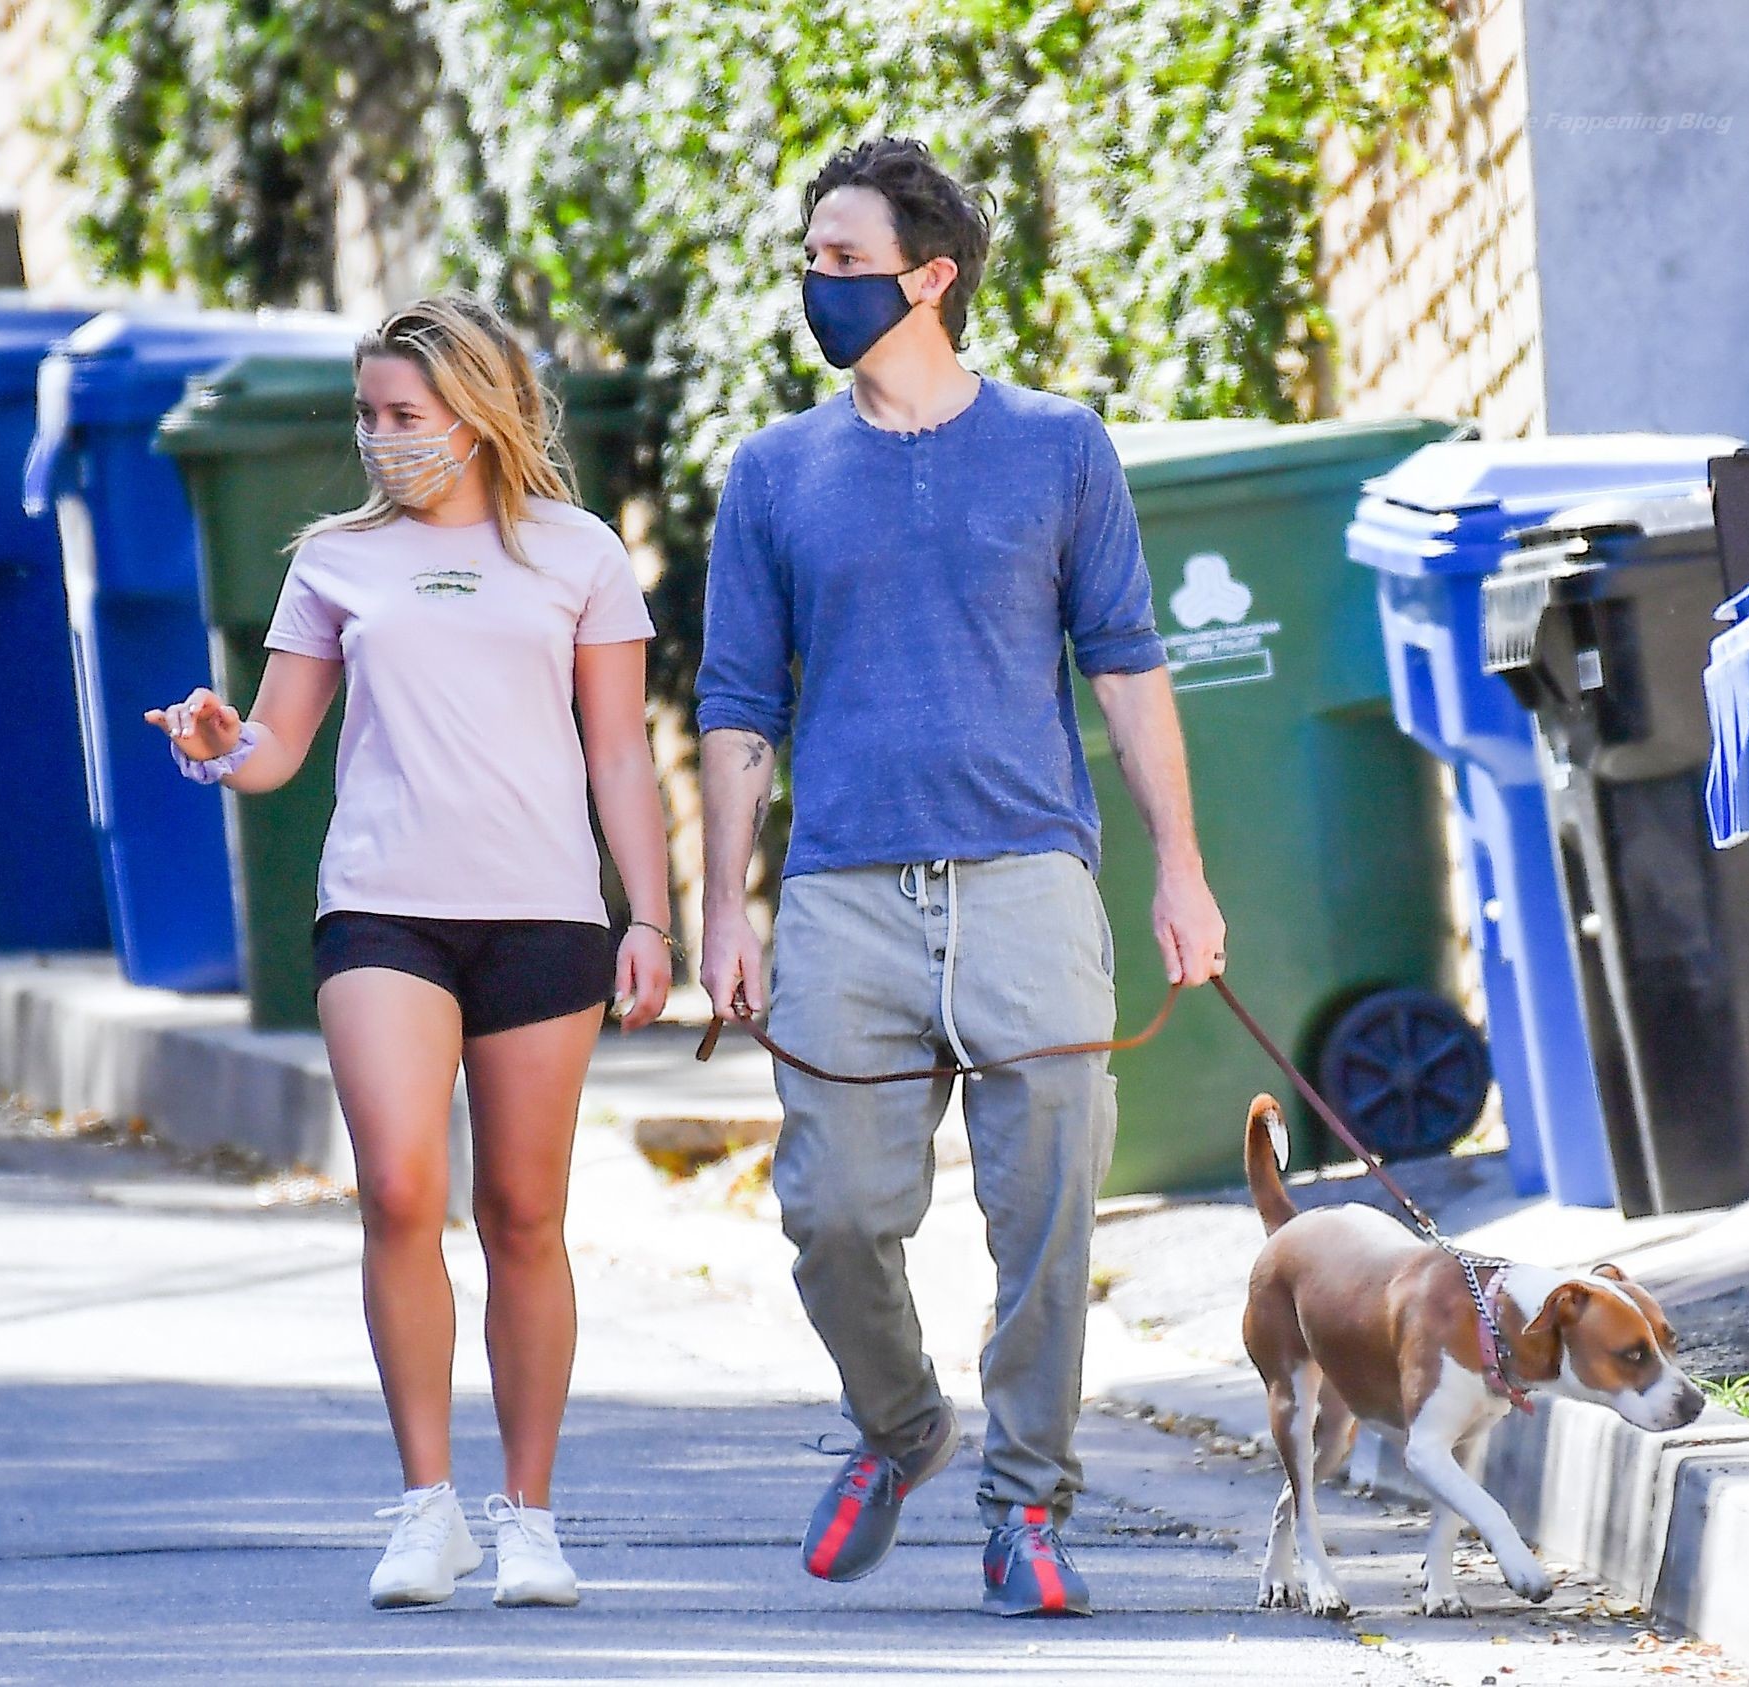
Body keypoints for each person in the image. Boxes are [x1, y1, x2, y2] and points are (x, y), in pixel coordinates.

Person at [695, 138, 1228, 1618]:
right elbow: (737, 703)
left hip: (1027, 879)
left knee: (1048, 1209)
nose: (818, 283)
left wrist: (1182, 874)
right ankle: (902, 1427)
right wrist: (724, 909)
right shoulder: (775, 472)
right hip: (844, 891)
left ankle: (1028, 1506)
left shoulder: (1059, 446)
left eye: (845, 260)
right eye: (811, 258)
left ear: (930, 279)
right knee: (832, 1214)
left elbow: (1127, 664)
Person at [146, 296, 672, 1611]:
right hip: (382, 908)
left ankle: (530, 1518)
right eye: (368, 415)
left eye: (404, 414)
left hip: (544, 912)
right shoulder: (336, 559)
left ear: (478, 414)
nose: (381, 438)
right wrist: (218, 746)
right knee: (397, 1187)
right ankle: (426, 1507)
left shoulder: (579, 554)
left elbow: (619, 752)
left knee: (525, 1215)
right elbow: (276, 748)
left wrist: (652, 920)